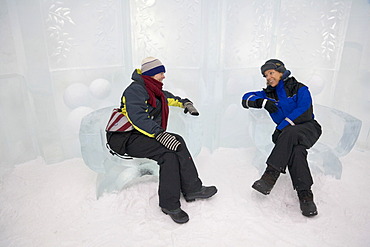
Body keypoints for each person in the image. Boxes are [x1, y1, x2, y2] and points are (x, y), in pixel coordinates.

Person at [106, 57, 217, 224]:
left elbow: (168, 99)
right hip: (125, 139)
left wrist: (184, 103)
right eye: (160, 72)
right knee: (167, 153)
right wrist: (159, 134)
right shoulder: (134, 91)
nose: (164, 76)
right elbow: (138, 118)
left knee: (176, 142)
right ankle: (170, 203)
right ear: (150, 73)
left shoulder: (152, 89)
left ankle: (191, 189)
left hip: (141, 134)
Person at [241, 59, 322, 217]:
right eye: (265, 75)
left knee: (290, 132)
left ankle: (270, 176)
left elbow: (304, 111)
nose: (268, 77)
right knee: (297, 152)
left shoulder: (300, 88)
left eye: (271, 73)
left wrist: (281, 127)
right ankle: (305, 195)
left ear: (281, 72)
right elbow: (245, 99)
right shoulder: (268, 94)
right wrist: (263, 102)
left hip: (309, 128)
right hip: (288, 137)